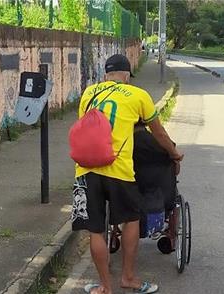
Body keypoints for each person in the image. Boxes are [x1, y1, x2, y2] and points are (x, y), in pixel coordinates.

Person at [71, 54, 183, 294]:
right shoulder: (138, 95)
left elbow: (87, 128)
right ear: (126, 75)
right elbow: (159, 134)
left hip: (86, 169)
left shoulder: (89, 94)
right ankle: (128, 278)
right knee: (131, 220)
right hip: (118, 168)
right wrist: (174, 153)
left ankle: (104, 286)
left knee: (96, 230)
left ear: (106, 75)